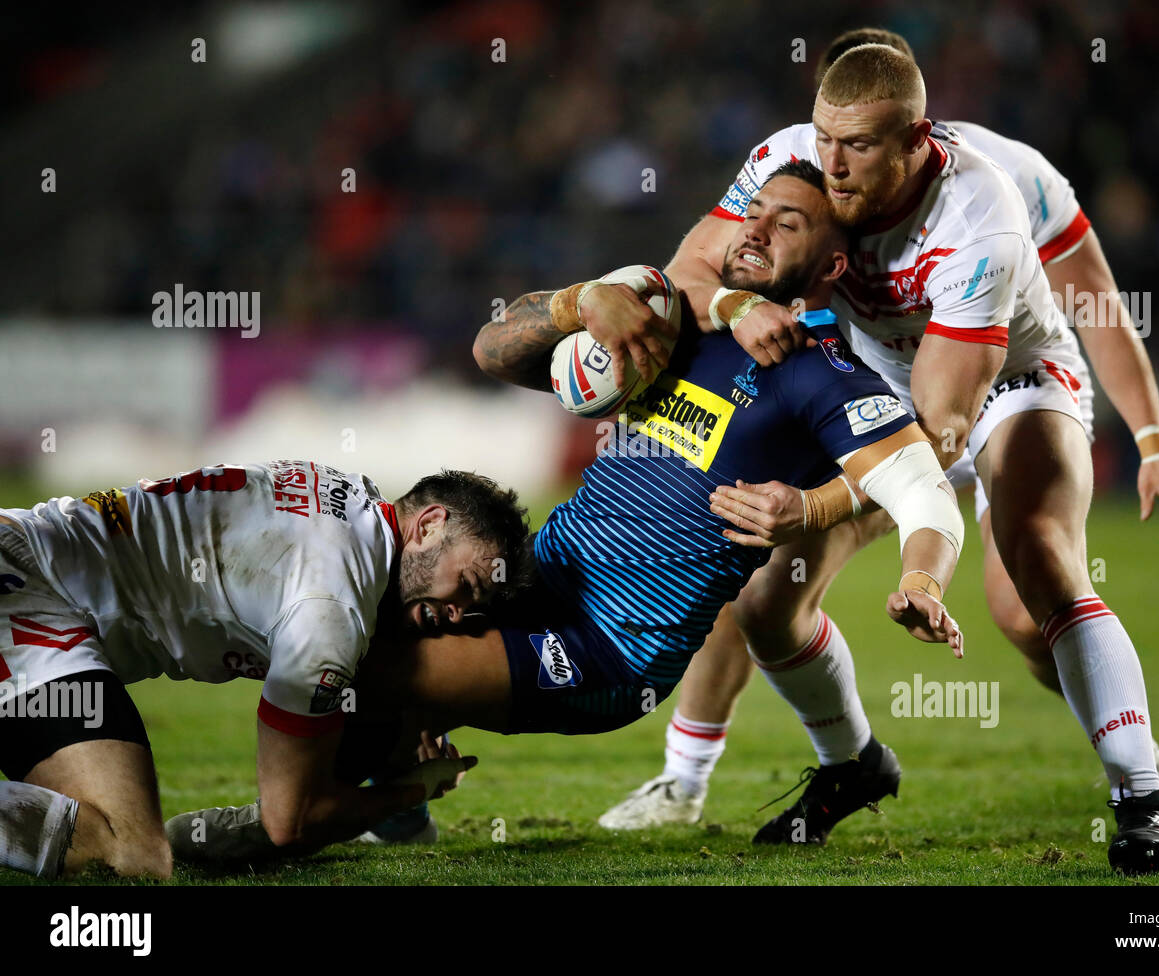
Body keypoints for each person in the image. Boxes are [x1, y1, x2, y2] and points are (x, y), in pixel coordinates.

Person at [165, 163, 969, 863]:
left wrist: (921, 581)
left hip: (611, 648)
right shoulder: (675, 319)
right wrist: (581, 303)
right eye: (751, 213)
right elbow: (492, 349)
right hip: (535, 573)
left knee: (373, 668)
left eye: (784, 224)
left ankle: (302, 819)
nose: (752, 230)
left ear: (831, 263)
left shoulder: (820, 377)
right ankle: (390, 790)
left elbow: (922, 486)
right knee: (353, 609)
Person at [587, 41, 1159, 874]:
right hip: (888, 384)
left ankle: (1142, 799)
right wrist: (730, 302)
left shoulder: (984, 214)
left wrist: (814, 507)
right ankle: (849, 764)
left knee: (1034, 583)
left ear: (916, 138)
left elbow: (943, 431)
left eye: (858, 146)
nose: (830, 165)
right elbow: (691, 266)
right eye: (824, 138)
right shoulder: (788, 158)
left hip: (1009, 385)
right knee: (766, 600)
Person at [0, 461, 526, 878]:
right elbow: (288, 822)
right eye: (469, 585)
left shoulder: (351, 495)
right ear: (429, 525)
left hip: (28, 551)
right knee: (128, 854)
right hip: (32, 604)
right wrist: (413, 790)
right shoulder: (330, 610)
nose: (459, 613)